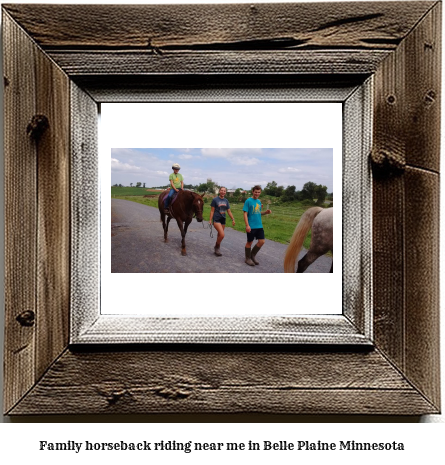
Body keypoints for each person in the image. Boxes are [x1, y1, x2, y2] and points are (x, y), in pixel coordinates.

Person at [243, 185, 271, 266]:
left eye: (258, 192)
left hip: (259, 225)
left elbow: (257, 213)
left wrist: (265, 212)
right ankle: (247, 258)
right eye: (256, 192)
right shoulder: (248, 201)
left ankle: (252, 255)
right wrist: (247, 225)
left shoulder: (259, 201)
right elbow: (245, 214)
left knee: (262, 241)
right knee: (249, 242)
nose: (257, 194)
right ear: (253, 192)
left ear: (260, 192)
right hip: (251, 225)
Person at [209, 187, 235, 256]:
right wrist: (210, 220)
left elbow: (228, 211)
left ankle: (217, 248)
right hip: (216, 219)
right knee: (222, 234)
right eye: (222, 190)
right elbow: (212, 211)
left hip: (223, 219)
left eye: (224, 191)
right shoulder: (215, 200)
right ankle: (217, 247)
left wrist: (233, 219)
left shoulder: (226, 201)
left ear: (225, 192)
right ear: (219, 191)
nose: (223, 192)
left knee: (219, 235)